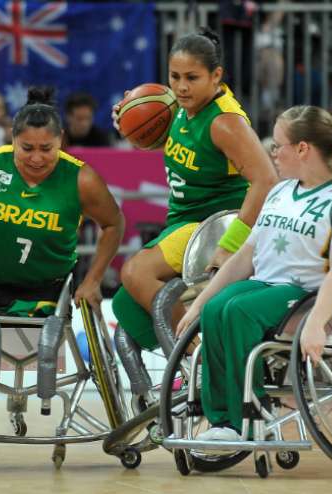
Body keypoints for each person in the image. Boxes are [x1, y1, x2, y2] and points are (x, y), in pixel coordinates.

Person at [175, 105, 332, 441]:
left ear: (303, 149)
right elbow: (246, 255)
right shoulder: (281, 192)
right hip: (265, 286)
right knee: (215, 309)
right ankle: (222, 421)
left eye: (278, 144)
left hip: (307, 295)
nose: (272, 151)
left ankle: (247, 417)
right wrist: (199, 303)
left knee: (238, 311)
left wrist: (315, 324)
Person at [110, 29, 278, 355]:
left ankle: (199, 358)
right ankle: (179, 368)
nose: (182, 86)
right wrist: (133, 121)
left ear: (216, 76)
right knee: (127, 305)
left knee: (136, 271)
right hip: (186, 221)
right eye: (174, 76)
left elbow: (267, 180)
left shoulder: (225, 121)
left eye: (192, 77)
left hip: (214, 222)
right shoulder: (179, 106)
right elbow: (178, 145)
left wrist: (230, 245)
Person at [0, 86, 124, 316]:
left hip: (52, 289)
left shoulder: (82, 179)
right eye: (27, 148)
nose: (36, 158)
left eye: (46, 149)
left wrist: (93, 280)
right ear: (13, 139)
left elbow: (114, 223)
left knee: (46, 352)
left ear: (61, 140)